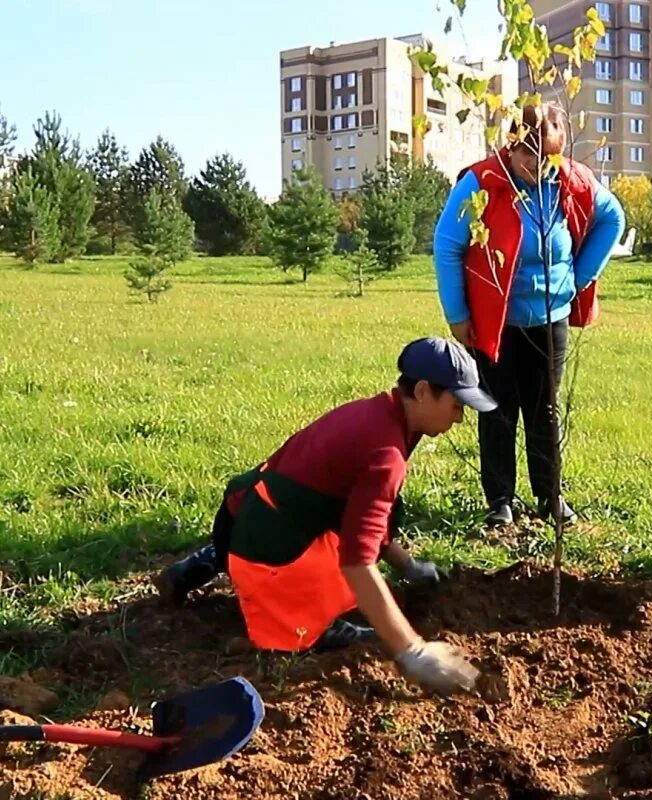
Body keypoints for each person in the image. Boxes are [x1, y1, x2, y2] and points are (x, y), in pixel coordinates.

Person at [152, 337, 497, 696]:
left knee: (388, 515)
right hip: (270, 545)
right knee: (331, 605)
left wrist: (406, 564)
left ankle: (210, 559)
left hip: (242, 513)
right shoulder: (385, 451)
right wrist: (412, 650)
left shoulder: (379, 413)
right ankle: (315, 624)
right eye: (456, 406)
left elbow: (361, 516)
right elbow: (358, 561)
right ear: (424, 391)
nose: (459, 418)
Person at [433, 102, 626, 528]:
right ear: (511, 145)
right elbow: (447, 245)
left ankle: (549, 496)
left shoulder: (572, 181)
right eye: (527, 155)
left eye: (547, 158)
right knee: (497, 409)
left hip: (550, 319)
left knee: (545, 411)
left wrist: (578, 277)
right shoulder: (480, 183)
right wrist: (457, 313)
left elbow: (613, 218)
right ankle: (500, 500)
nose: (537, 167)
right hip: (494, 320)